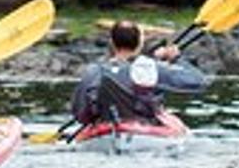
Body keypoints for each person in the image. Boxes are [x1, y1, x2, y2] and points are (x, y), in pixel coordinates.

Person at [69, 20, 208, 128]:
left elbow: (80, 114)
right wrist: (176, 58)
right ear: (140, 43)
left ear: (112, 43)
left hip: (107, 125)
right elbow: (198, 82)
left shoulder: (95, 71)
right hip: (144, 126)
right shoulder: (150, 68)